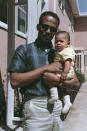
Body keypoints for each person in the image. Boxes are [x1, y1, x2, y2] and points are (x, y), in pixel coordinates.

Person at [8, 11, 80, 131]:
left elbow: (76, 83)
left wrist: (58, 82)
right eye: (44, 27)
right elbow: (14, 82)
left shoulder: (59, 54)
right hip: (35, 109)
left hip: (57, 108)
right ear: (38, 27)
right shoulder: (24, 50)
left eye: (52, 29)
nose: (48, 31)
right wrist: (45, 69)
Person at [48, 31, 75, 114]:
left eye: (61, 41)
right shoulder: (60, 51)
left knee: (49, 78)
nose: (58, 43)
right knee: (62, 88)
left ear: (68, 43)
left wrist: (64, 73)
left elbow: (68, 62)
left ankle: (54, 95)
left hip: (65, 72)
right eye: (56, 41)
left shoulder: (67, 51)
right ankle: (67, 102)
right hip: (65, 72)